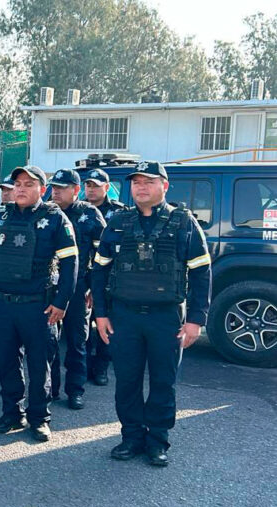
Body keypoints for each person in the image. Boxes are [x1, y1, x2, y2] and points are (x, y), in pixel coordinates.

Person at [93, 160, 211, 467]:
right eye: (136, 182)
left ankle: (158, 441)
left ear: (164, 186)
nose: (141, 187)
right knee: (127, 381)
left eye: (148, 181)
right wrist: (101, 314)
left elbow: (201, 272)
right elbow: (100, 269)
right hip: (125, 317)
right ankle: (131, 437)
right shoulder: (118, 221)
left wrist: (196, 320)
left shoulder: (183, 222)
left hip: (166, 318)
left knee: (163, 382)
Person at [0, 165, 78, 442]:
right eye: (17, 183)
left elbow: (70, 264)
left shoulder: (55, 219)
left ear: (41, 190)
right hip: (2, 303)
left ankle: (39, 418)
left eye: (28, 184)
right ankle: (11, 413)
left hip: (38, 307)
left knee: (38, 364)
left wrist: (62, 301)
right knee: (7, 362)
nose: (20, 188)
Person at [48, 169, 105, 409]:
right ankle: (51, 388)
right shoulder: (46, 212)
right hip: (49, 286)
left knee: (76, 341)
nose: (56, 192)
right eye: (54, 187)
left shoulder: (90, 214)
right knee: (49, 340)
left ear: (76, 190)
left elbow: (103, 256)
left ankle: (76, 390)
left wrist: (93, 287)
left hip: (79, 286)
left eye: (62, 188)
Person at [83, 167, 127, 385]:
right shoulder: (78, 210)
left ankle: (101, 368)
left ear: (107, 188)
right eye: (88, 185)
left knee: (106, 325)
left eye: (96, 186)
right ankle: (85, 365)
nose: (91, 190)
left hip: (109, 279)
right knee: (82, 328)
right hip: (84, 278)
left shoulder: (119, 213)